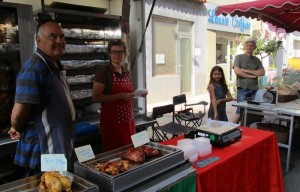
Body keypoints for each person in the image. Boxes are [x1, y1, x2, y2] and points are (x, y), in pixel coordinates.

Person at [8, 19, 76, 177]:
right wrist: (17, 127)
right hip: (43, 151)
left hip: (58, 147)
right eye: (53, 37)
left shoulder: (54, 65)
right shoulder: (34, 69)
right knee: (47, 185)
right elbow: (17, 117)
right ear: (38, 40)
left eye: (62, 36)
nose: (59, 41)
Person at [93, 39, 146, 152]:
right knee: (117, 157)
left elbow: (127, 95)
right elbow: (96, 97)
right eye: (114, 52)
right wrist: (120, 96)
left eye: (120, 52)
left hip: (128, 121)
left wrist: (138, 94)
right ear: (109, 53)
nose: (117, 55)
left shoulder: (125, 70)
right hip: (112, 124)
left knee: (132, 153)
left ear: (124, 53)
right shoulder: (103, 72)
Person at [231, 37, 265, 124]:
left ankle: (245, 130)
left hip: (254, 89)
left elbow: (262, 72)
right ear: (244, 46)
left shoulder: (257, 60)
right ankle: (229, 130)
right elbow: (237, 72)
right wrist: (252, 76)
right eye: (247, 45)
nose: (249, 47)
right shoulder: (239, 57)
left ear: (254, 47)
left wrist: (246, 71)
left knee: (251, 113)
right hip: (242, 89)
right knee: (239, 112)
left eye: (251, 46)